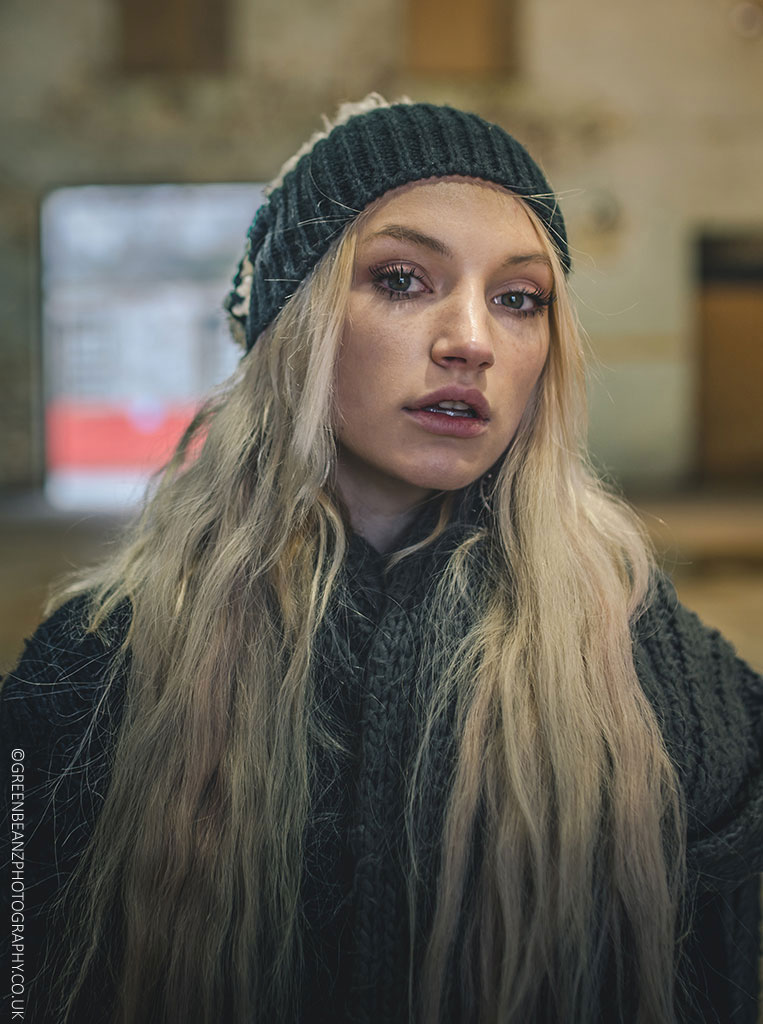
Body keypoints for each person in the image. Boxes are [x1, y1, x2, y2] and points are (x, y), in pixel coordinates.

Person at [1, 94, 761, 1024]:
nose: (471, 341)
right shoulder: (92, 671)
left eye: (517, 299)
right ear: (296, 324)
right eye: (402, 279)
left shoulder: (651, 665)